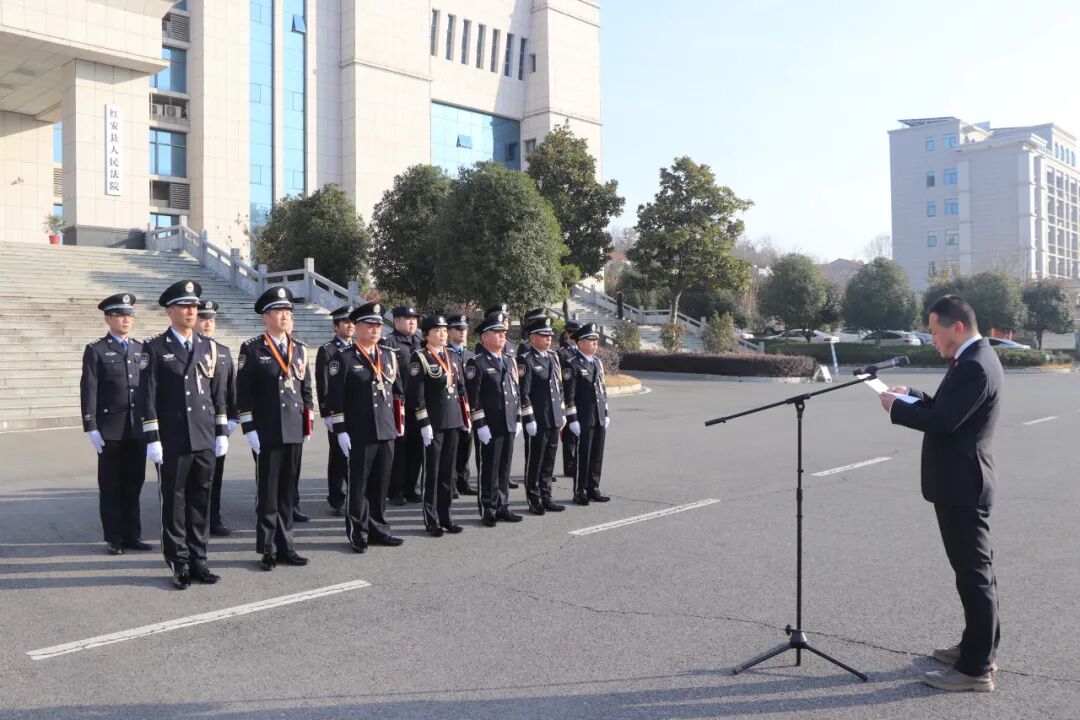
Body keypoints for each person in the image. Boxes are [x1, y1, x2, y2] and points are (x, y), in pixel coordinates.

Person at [879, 294, 1002, 692]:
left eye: (934, 331)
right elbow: (950, 408)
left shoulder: (974, 365)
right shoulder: (974, 359)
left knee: (974, 576)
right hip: (961, 482)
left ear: (957, 328)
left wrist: (896, 409)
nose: (931, 339)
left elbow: (945, 422)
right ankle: (977, 648)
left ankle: (975, 669)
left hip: (963, 484)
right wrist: (913, 394)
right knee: (974, 573)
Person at [137, 280, 229, 589]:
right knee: (174, 503)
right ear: (170, 311)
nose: (191, 311)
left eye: (194, 306)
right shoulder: (155, 348)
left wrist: (221, 431)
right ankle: (179, 562)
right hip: (173, 438)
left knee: (200, 501)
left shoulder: (208, 346)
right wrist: (153, 438)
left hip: (203, 435)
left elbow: (217, 394)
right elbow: (147, 396)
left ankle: (199, 560)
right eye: (184, 306)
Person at [237, 286, 313, 572]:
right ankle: (268, 548)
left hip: (294, 429)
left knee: (287, 492)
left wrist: (308, 421)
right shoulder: (252, 348)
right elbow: (243, 393)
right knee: (268, 492)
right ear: (265, 317)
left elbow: (306, 389)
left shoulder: (299, 348)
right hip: (267, 430)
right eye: (279, 311)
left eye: (288, 311)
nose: (285, 315)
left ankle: (286, 546)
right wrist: (249, 428)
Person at [328, 302, 406, 553]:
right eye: (369, 325)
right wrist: (340, 430)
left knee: (380, 484)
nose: (375, 330)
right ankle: (358, 532)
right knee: (359, 485)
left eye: (378, 325)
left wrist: (399, 421)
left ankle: (379, 529)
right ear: (357, 326)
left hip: (386, 428)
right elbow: (335, 399)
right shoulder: (343, 358)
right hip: (359, 431)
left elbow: (398, 392)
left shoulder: (388, 355)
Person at [80, 293, 149, 555]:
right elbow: (89, 389)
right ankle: (114, 538)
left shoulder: (140, 349)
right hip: (110, 430)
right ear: (108, 319)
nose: (126, 320)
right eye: (120, 315)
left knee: (134, 484)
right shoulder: (96, 350)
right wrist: (91, 426)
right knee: (111, 486)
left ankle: (133, 535)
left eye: (129, 315)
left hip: (137, 429)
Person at [464, 311, 528, 526]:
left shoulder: (509, 361)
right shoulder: (477, 363)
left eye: (503, 332)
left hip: (508, 421)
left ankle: (503, 506)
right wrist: (480, 424)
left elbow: (515, 392)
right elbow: (474, 398)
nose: (502, 336)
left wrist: (517, 417)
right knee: (489, 467)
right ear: (484, 337)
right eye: (497, 332)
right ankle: (488, 507)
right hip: (489, 425)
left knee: (504, 467)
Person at [408, 314, 468, 536]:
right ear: (426, 335)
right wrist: (424, 422)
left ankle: (446, 516)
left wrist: (465, 416)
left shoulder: (451, 355)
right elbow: (416, 395)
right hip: (434, 423)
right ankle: (431, 519)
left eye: (444, 330)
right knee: (432, 473)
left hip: (453, 419)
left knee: (448, 472)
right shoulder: (420, 357)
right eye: (437, 331)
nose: (442, 334)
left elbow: (460, 388)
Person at [196, 300, 239, 537]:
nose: (207, 323)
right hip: (192, 424)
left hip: (217, 424)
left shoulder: (222, 351)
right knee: (192, 479)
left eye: (211, 319)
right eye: (203, 318)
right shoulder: (189, 349)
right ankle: (193, 521)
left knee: (215, 476)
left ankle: (214, 518)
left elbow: (231, 388)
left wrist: (233, 418)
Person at [519, 315, 567, 514]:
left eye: (550, 335)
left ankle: (546, 496)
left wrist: (562, 411)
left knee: (549, 460)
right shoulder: (526, 359)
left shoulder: (553, 357)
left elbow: (559, 387)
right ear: (533, 337)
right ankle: (534, 498)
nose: (548, 338)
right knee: (535, 461)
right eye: (544, 335)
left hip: (554, 417)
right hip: (538, 419)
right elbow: (524, 393)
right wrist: (529, 418)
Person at [562, 322, 610, 505]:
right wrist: (572, 419)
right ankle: (580, 491)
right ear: (580, 343)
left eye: (596, 340)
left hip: (598, 415)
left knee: (597, 454)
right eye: (591, 340)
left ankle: (593, 488)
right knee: (583, 455)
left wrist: (606, 412)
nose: (595, 344)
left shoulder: (597, 362)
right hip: (583, 418)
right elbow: (569, 396)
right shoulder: (572, 364)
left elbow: (602, 390)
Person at [316, 304, 354, 516]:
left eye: (352, 322)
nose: (350, 326)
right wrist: (326, 413)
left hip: (356, 410)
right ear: (335, 326)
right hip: (337, 411)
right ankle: (336, 498)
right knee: (338, 457)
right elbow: (323, 384)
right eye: (345, 322)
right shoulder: (327, 350)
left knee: (356, 455)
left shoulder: (358, 347)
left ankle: (356, 496)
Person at [384, 305, 423, 505]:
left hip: (419, 404)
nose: (412, 322)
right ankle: (395, 491)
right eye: (408, 319)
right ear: (396, 320)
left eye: (414, 319)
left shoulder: (420, 342)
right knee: (399, 449)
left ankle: (411, 488)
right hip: (398, 405)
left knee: (417, 448)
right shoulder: (388, 343)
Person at [446, 314, 478, 498]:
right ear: (449, 331)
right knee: (452, 448)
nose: (462, 332)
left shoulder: (470, 355)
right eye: (458, 329)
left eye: (464, 329)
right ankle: (450, 484)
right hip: (453, 406)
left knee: (466, 446)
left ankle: (463, 481)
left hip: (468, 407)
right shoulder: (445, 353)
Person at [558, 320, 581, 478]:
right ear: (566, 333)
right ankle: (570, 466)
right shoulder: (561, 353)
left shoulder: (581, 351)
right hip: (567, 398)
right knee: (569, 434)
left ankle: (578, 463)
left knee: (580, 433)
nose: (574, 336)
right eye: (572, 333)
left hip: (581, 398)